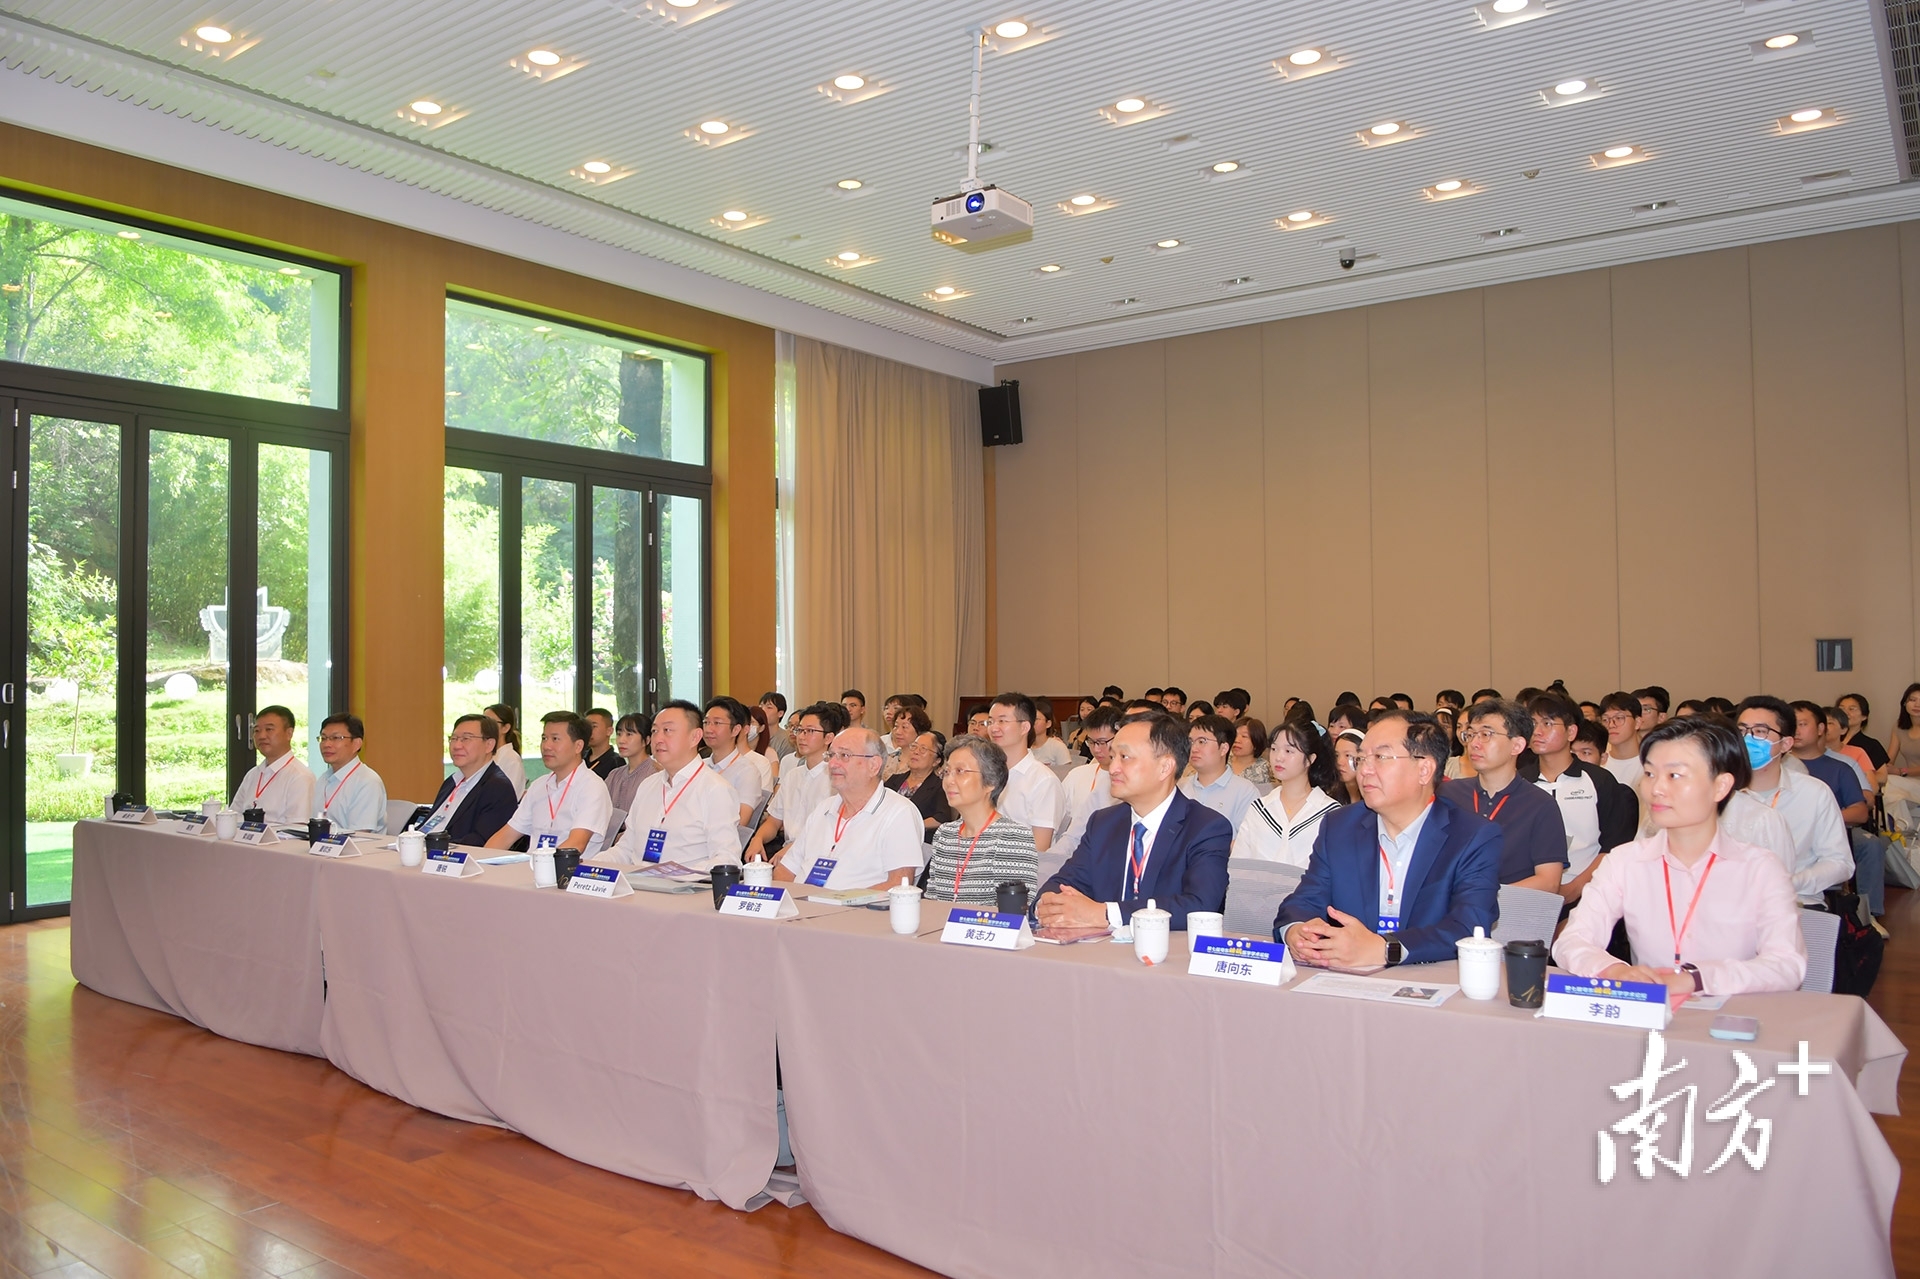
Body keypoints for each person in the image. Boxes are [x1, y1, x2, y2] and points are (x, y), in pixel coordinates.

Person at [1553, 716, 1807, 999]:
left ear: (1721, 786)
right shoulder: (1625, 861)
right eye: (1650, 774)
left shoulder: (1760, 868)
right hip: (1649, 1011)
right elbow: (1573, 940)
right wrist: (1613, 970)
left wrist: (1697, 979)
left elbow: (1787, 964)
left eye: (1674, 775)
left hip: (1732, 1012)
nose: (1656, 789)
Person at [1273, 710, 1502, 967]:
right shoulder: (1340, 826)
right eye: (1361, 758)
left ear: (1424, 769)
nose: (1365, 770)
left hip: (1429, 979)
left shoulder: (1472, 836)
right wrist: (1297, 931)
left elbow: (1468, 926)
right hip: (1346, 979)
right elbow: (1303, 901)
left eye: (1380, 757)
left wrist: (1385, 949)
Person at [1036, 712, 1231, 931]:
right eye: (1113, 757)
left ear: (1165, 767)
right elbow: (1063, 884)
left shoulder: (1206, 827)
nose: (1113, 768)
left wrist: (1106, 913)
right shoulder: (1103, 823)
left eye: (1125, 757)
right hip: (1100, 948)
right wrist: (1048, 905)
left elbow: (1200, 905)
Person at [1733, 696, 1853, 905]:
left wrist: (1792, 882)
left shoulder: (1814, 793)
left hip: (1798, 901)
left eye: (1760, 731)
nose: (1748, 739)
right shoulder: (1719, 792)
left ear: (1786, 744)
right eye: (1742, 730)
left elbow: (1840, 862)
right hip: (1731, 904)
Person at [1440, 699, 1567, 893]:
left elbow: (1549, 882)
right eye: (1471, 734)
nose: (1474, 743)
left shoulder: (1540, 805)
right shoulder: (1448, 794)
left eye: (1486, 735)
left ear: (1517, 746)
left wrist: (1482, 897)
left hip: (1508, 908)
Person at [774, 728, 924, 892]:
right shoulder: (824, 808)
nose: (832, 764)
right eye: (831, 755)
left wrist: (834, 902)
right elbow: (785, 870)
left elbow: (899, 885)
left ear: (873, 765)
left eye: (844, 755)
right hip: (803, 903)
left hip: (854, 907)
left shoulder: (899, 813)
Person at [1525, 693, 1638, 904]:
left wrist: (1575, 888)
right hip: (1530, 893)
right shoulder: (1520, 781)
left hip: (1589, 892)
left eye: (1547, 723)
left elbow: (1614, 846)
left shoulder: (1599, 780)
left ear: (1571, 732)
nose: (1537, 731)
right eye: (1532, 723)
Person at [604, 701, 740, 870]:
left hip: (685, 884)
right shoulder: (648, 785)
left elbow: (727, 858)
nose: (658, 739)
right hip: (638, 882)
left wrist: (677, 875)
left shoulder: (715, 789)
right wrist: (585, 865)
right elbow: (625, 849)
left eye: (667, 730)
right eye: (654, 731)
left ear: (695, 737)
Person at [925, 735, 1039, 905]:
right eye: (947, 772)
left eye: (960, 771)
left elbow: (1014, 912)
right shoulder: (945, 834)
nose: (949, 781)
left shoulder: (1012, 837)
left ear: (991, 781)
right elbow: (932, 903)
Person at [487, 711, 613, 855]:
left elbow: (576, 845)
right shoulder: (539, 786)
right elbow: (506, 835)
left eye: (555, 739)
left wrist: (539, 866)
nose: (546, 746)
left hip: (568, 867)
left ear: (578, 746)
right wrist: (479, 861)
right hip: (532, 864)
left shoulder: (592, 787)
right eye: (544, 738)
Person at [1233, 717, 1342, 865]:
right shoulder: (1259, 808)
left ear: (1310, 759)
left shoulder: (1331, 813)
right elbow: (1239, 865)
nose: (1278, 757)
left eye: (1289, 751)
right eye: (1274, 749)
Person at [745, 701, 842, 864]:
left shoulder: (836, 779)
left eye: (810, 731)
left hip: (821, 855)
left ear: (828, 737)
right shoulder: (792, 776)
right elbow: (774, 821)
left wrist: (794, 849)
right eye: (800, 730)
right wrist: (758, 838)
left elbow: (828, 831)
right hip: (787, 852)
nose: (801, 737)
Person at [419, 713, 518, 845]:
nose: (456, 745)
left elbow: (481, 841)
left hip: (451, 854)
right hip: (421, 848)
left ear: (489, 745)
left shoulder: (498, 788)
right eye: (453, 738)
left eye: (466, 739)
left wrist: (430, 847)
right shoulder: (451, 782)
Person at [986, 692, 1065, 852]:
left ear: (1024, 727)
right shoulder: (985, 773)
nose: (993, 728)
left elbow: (1040, 848)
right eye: (990, 721)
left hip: (1020, 864)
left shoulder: (1043, 781)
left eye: (1002, 721)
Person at [1053, 705, 1122, 862]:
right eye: (1091, 742)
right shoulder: (1077, 775)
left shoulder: (1130, 781)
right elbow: (1070, 833)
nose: (1096, 749)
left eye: (1103, 742)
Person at [231, 705, 315, 825]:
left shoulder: (300, 776)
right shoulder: (252, 774)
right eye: (257, 730)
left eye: (269, 729)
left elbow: (297, 827)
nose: (261, 736)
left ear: (289, 733)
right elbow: (234, 815)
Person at [1180, 714, 1259, 831]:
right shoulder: (1179, 787)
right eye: (1191, 742)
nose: (1194, 748)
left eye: (1202, 741)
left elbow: (1247, 839)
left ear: (1224, 749)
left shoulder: (1245, 792)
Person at [311, 713, 388, 833]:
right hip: (324, 843)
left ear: (357, 744)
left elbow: (360, 834)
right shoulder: (324, 779)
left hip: (358, 844)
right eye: (323, 738)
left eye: (336, 738)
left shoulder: (367, 782)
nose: (326, 744)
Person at [703, 696, 767, 828]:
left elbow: (741, 821)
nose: (709, 729)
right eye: (706, 722)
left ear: (736, 730)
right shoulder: (700, 765)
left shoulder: (747, 772)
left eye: (717, 723)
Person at [887, 728, 954, 840]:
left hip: (918, 840)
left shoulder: (940, 786)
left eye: (923, 749)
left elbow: (941, 818)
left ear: (936, 761)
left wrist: (913, 825)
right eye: (914, 746)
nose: (916, 752)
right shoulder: (894, 780)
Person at [604, 711, 658, 823]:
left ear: (647, 740)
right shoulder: (614, 775)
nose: (621, 740)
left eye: (629, 734)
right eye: (619, 734)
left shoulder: (655, 774)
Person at [1884, 683, 1920, 834]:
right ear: (1905, 703)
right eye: (1912, 699)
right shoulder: (1899, 727)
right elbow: (1889, 759)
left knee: (1890, 783)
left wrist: (1900, 771)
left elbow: (1898, 771)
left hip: (1912, 781)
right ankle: (1902, 830)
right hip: (1911, 784)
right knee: (1892, 795)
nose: (1917, 704)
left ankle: (1901, 830)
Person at [1837, 692, 1889, 786]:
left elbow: (1882, 777)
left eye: (1851, 709)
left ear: (1864, 716)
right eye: (1841, 709)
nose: (1845, 713)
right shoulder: (1829, 739)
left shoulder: (1871, 744)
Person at [1598, 691, 1645, 790]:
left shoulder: (1650, 762)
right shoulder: (1599, 761)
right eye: (1605, 720)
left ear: (1637, 722)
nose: (1611, 725)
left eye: (1619, 718)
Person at [484, 703, 527, 798]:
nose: (484, 727)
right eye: (483, 722)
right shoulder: (486, 755)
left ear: (505, 728)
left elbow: (509, 795)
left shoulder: (511, 759)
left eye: (490, 722)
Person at [885, 705, 932, 777]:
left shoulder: (924, 764)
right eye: (896, 726)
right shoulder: (888, 759)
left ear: (919, 730)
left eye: (904, 727)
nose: (898, 732)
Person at [1228, 717, 1272, 787]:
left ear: (1256, 740)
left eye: (1244, 736)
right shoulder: (1222, 762)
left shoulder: (1265, 769)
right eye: (1235, 735)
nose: (1236, 740)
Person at [1029, 702, 1074, 768]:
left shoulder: (1058, 747)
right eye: (1029, 719)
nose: (1031, 722)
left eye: (1036, 719)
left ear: (1048, 724)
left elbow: (1065, 772)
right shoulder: (1023, 746)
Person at [583, 707, 620, 780]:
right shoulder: (580, 758)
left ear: (609, 731)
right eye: (586, 727)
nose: (588, 731)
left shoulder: (616, 762)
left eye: (594, 726)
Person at [1332, 728, 1365, 805]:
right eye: (1337, 755)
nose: (1339, 762)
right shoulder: (1331, 797)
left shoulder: (1373, 799)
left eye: (1348, 755)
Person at [759, 692, 792, 758]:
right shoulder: (754, 735)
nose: (762, 710)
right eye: (761, 706)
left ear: (780, 713)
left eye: (769, 707)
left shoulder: (786, 740)